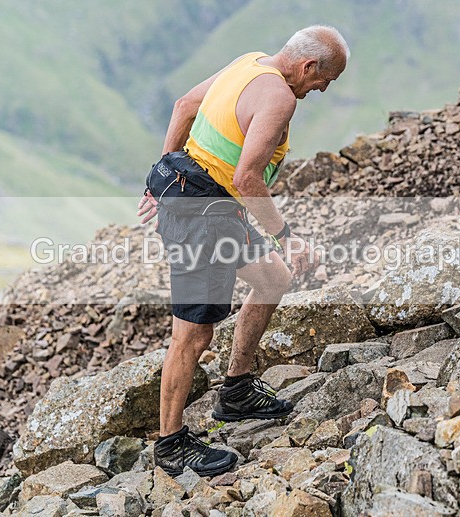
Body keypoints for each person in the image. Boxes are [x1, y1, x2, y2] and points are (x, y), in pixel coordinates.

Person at [137, 25, 349, 477]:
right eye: (323, 82)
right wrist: (286, 236)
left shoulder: (249, 62)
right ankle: (171, 445)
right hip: (203, 213)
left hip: (201, 197)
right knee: (193, 333)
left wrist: (162, 172)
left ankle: (235, 391)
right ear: (308, 66)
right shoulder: (280, 98)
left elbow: (184, 107)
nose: (321, 91)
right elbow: (247, 178)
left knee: (273, 278)